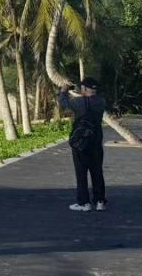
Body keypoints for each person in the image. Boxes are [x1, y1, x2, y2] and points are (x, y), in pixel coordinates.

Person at [58, 77, 107, 212]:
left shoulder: (78, 102)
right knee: (97, 171)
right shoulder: (101, 101)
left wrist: (63, 91)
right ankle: (100, 201)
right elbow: (90, 101)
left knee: (81, 173)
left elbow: (63, 104)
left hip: (81, 143)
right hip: (96, 141)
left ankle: (84, 203)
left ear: (84, 89)